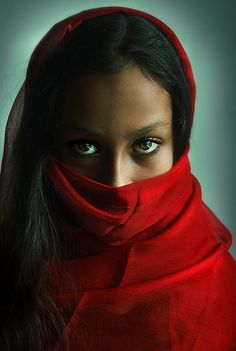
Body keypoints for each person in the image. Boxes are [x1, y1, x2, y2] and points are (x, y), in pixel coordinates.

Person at [0, 5, 235, 351]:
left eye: (146, 144)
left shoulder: (217, 287)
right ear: (46, 144)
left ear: (179, 140)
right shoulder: (13, 263)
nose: (117, 183)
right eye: (86, 146)